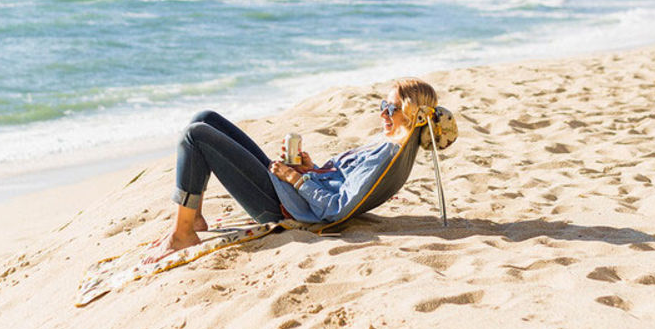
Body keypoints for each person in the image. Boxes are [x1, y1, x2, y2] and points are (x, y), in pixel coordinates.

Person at [143, 78, 438, 263]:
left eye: (392, 109)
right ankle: (193, 218)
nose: (383, 113)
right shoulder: (390, 143)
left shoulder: (386, 155)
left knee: (195, 134)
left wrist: (296, 178)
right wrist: (313, 169)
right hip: (289, 192)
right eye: (383, 105)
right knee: (206, 118)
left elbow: (336, 208)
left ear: (412, 114)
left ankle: (182, 233)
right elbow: (346, 185)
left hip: (284, 207)